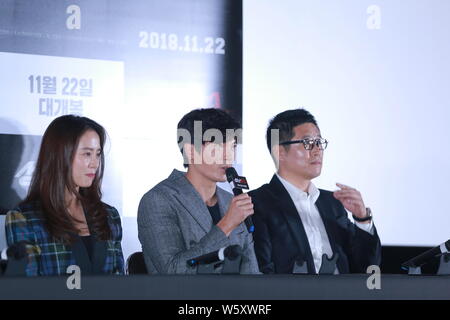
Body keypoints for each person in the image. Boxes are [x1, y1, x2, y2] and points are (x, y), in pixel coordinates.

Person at [249, 108, 381, 274]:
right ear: (280, 152)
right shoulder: (256, 203)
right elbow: (260, 271)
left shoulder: (333, 203)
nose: (317, 150)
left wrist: (362, 220)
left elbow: (367, 267)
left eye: (319, 142)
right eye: (307, 143)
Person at [138, 108, 259, 274]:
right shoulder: (159, 200)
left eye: (232, 146)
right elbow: (172, 271)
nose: (228, 156)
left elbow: (251, 274)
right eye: (216, 147)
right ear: (190, 151)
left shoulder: (232, 200)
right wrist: (227, 224)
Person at [5, 115, 124, 276]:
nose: (95, 163)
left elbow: (121, 284)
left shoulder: (110, 216)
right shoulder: (24, 219)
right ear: (61, 155)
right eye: (87, 154)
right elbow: (27, 290)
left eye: (97, 154)